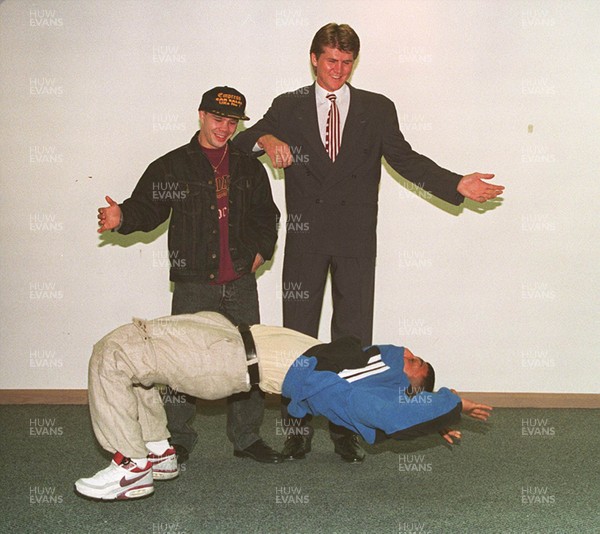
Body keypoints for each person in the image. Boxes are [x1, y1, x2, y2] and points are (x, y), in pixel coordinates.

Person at [233, 23, 505, 462]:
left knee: (354, 342)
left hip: (357, 238)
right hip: (304, 238)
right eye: (330, 61)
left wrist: (455, 183)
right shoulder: (288, 105)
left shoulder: (377, 108)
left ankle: (346, 430)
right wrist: (266, 136)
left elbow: (404, 159)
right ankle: (296, 431)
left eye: (346, 62)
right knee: (298, 340)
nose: (338, 70)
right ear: (314, 59)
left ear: (353, 62)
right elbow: (241, 142)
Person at [74, 311, 492, 501]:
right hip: (231, 333)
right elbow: (399, 405)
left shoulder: (345, 388)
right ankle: (156, 452)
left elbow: (386, 411)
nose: (408, 353)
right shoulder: (343, 361)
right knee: (140, 364)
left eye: (414, 363)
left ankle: (130, 466)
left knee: (115, 352)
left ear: (405, 383)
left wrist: (447, 404)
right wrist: (434, 417)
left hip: (230, 357)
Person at [96, 87, 282, 464]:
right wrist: (122, 218)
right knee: (179, 364)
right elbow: (147, 208)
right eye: (218, 119)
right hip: (194, 282)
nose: (224, 128)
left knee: (250, 363)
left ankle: (247, 438)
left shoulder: (249, 166)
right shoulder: (173, 166)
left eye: (232, 122)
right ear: (201, 115)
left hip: (240, 283)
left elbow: (268, 215)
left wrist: (261, 252)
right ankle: (177, 437)